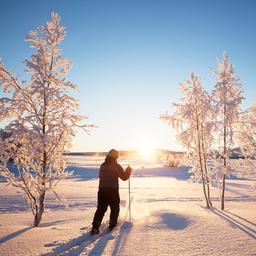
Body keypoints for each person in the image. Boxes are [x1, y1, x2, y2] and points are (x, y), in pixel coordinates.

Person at [90, 149, 132, 235]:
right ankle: (112, 225)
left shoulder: (103, 165)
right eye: (117, 156)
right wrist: (128, 171)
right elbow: (124, 177)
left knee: (101, 209)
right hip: (112, 190)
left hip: (101, 190)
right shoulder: (116, 165)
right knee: (114, 208)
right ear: (115, 156)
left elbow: (100, 176)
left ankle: (95, 227)